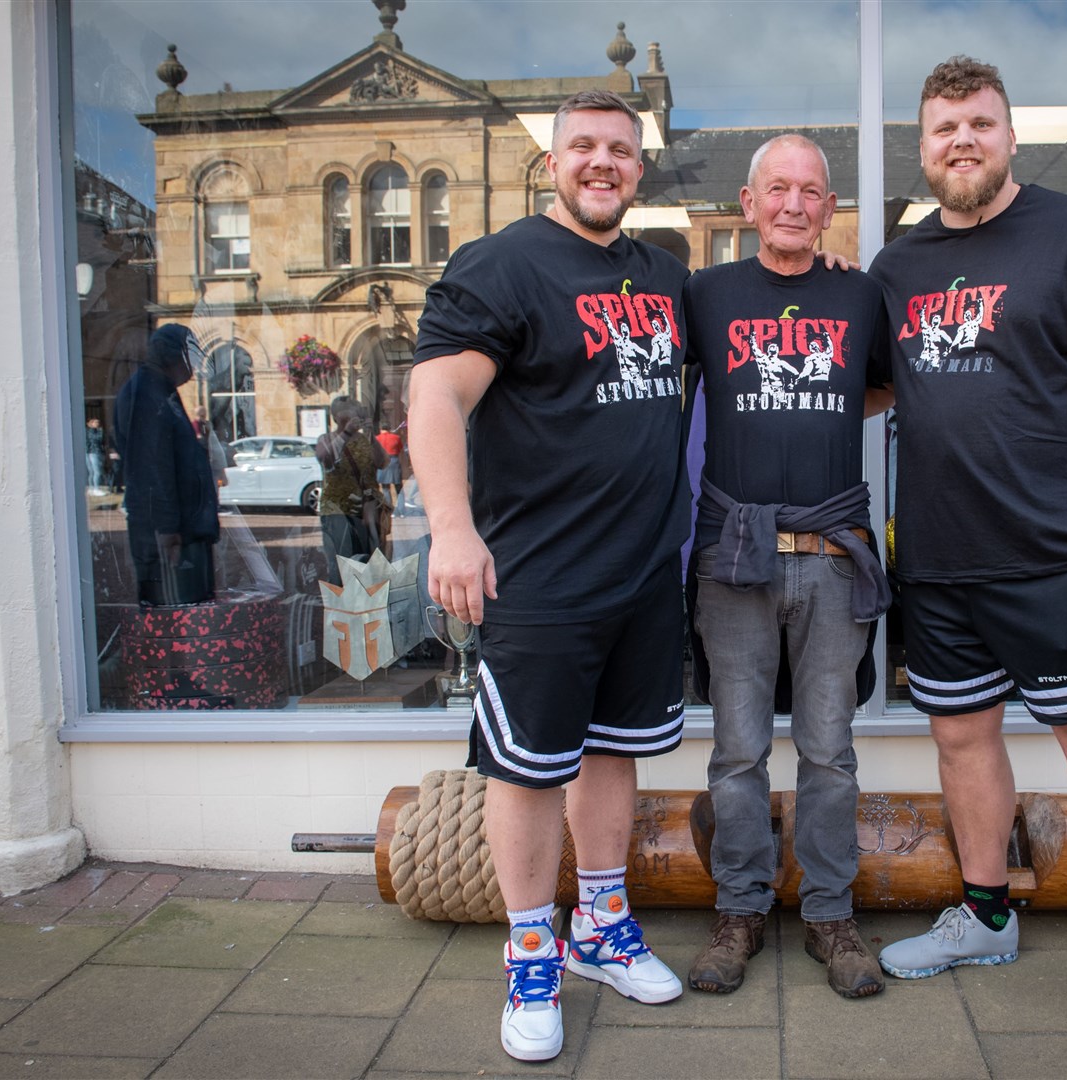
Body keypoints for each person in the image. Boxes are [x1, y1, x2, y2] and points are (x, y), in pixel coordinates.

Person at [867, 57, 1067, 1063]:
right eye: (943, 128)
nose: (960, 141)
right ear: (922, 147)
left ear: (1008, 136)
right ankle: (986, 915)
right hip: (943, 560)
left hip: (1059, 559)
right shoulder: (898, 269)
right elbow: (875, 392)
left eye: (979, 124)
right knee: (963, 745)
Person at [409, 89, 688, 1064]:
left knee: (613, 753)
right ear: (554, 164)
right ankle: (533, 954)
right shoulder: (503, 265)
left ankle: (600, 931)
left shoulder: (663, 272)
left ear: (639, 170)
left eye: (620, 149)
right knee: (527, 771)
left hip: (646, 575)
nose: (602, 162)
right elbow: (437, 391)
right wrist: (451, 528)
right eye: (584, 148)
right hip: (539, 580)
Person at [682, 135, 894, 1000]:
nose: (794, 205)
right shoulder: (703, 295)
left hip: (834, 559)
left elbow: (880, 387)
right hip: (735, 558)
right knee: (735, 753)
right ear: (748, 201)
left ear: (830, 207)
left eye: (811, 191)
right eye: (779, 189)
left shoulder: (861, 294)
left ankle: (829, 917)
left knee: (830, 754)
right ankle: (740, 910)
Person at [114, 325, 219, 606]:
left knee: (188, 616)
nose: (195, 369)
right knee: (176, 621)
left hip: (181, 531)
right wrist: (167, 529)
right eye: (191, 359)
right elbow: (150, 465)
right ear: (177, 356)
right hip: (169, 537)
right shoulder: (147, 394)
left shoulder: (159, 391)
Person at [315, 396, 386, 584]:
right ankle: (341, 603)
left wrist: (372, 436)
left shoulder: (364, 440)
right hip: (338, 509)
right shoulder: (327, 439)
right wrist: (346, 433)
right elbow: (324, 458)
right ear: (337, 417)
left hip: (367, 510)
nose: (354, 417)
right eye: (349, 413)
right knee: (341, 561)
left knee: (370, 560)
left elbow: (382, 462)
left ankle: (366, 602)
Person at [85, 417, 108, 494]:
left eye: (98, 422)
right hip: (94, 452)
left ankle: (92, 488)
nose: (97, 424)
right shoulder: (92, 431)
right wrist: (101, 432)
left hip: (92, 452)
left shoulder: (93, 431)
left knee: (92, 472)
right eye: (95, 422)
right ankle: (96, 488)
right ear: (91, 424)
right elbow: (98, 439)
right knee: (96, 471)